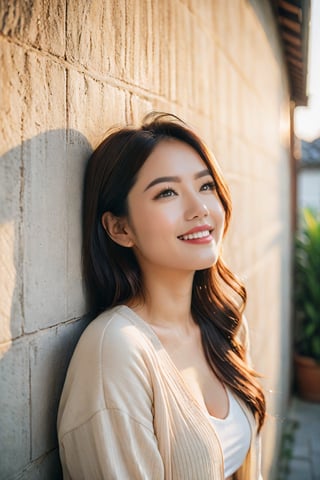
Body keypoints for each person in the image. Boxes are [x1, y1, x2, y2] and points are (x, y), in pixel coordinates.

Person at [57, 112, 266, 480]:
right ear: (120, 229)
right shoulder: (116, 352)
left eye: (205, 186)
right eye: (167, 192)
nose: (199, 208)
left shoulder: (225, 322)